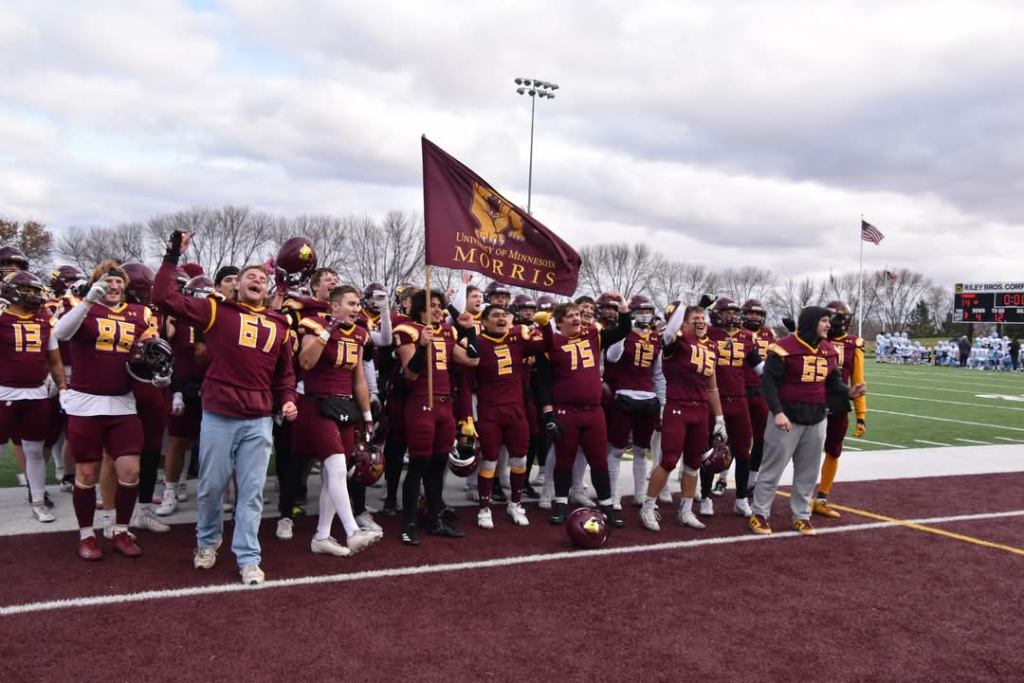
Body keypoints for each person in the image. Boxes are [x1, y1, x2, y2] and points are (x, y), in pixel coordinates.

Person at [154, 231, 297, 586]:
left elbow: (285, 373)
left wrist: (289, 398)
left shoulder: (279, 324)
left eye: (262, 277)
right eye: (250, 276)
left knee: (251, 492)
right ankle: (207, 541)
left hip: (258, 418)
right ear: (236, 285)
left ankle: (249, 557)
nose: (257, 280)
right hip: (219, 413)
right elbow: (164, 298)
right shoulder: (216, 310)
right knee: (211, 487)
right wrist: (172, 257)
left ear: (267, 288)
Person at [54, 261, 160, 560]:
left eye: (118, 282)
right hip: (86, 402)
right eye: (107, 282)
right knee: (87, 472)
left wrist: (157, 373)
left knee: (130, 470)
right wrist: (88, 301)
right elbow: (61, 333)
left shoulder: (139, 313)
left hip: (122, 401)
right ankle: (86, 534)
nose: (113, 287)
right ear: (95, 284)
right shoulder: (81, 308)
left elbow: (149, 353)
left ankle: (120, 529)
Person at [749, 306, 866, 536]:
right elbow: (769, 384)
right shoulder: (783, 348)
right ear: (811, 322)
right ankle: (759, 513)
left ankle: (801, 515)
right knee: (772, 468)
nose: (828, 325)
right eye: (824, 320)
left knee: (808, 472)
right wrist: (777, 412)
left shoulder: (828, 350)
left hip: (817, 417)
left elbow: (833, 382)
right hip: (787, 418)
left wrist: (849, 393)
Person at [294, 285, 382, 555]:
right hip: (317, 402)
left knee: (335, 473)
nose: (357, 309)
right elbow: (305, 362)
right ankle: (352, 531)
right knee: (336, 468)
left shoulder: (359, 334)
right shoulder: (315, 324)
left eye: (358, 304)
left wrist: (367, 416)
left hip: (345, 405)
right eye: (351, 303)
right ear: (334, 306)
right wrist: (328, 330)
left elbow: (359, 379)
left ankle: (322, 535)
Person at [535, 295, 632, 526]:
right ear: (559, 322)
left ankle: (607, 506)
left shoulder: (594, 335)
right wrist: (548, 413)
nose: (576, 318)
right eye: (570, 316)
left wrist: (623, 307)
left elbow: (623, 330)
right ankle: (560, 504)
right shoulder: (550, 344)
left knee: (599, 461)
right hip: (566, 411)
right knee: (564, 460)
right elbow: (543, 384)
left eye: (577, 314)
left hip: (593, 411)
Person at [393, 288, 479, 545]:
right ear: (420, 308)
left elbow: (472, 360)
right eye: (432, 305)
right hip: (422, 402)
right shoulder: (408, 330)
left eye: (440, 305)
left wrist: (469, 331)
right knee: (418, 464)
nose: (438, 309)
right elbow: (410, 374)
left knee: (439, 465)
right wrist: (421, 345)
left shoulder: (448, 331)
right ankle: (408, 523)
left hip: (445, 404)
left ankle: (434, 518)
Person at [639, 304, 726, 532]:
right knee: (669, 459)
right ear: (684, 323)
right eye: (695, 318)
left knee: (694, 462)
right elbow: (669, 332)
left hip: (701, 410)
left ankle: (686, 509)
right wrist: (687, 307)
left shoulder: (710, 347)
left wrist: (719, 417)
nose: (701, 321)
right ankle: (648, 506)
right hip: (678, 407)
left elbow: (712, 387)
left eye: (703, 317)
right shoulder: (676, 342)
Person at [469, 304, 545, 528]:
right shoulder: (477, 342)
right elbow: (465, 381)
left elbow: (546, 345)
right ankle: (484, 507)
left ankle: (515, 504)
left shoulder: (517, 339)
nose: (501, 318)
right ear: (484, 322)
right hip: (490, 410)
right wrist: (467, 415)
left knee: (520, 458)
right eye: (495, 315)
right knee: (489, 460)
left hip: (516, 409)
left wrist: (545, 327)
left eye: (504, 315)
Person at [0, 271, 65, 523]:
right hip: (4, 391)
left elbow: (55, 359)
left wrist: (62, 386)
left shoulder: (45, 319)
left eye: (36, 291)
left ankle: (38, 502)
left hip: (36, 393)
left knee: (35, 451)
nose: (34, 295)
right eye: (28, 290)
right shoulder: (2, 317)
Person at [704, 297, 763, 517]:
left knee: (743, 451)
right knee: (709, 451)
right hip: (714, 400)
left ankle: (740, 498)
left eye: (735, 312)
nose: (732, 316)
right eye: (727, 312)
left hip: (739, 400)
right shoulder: (708, 333)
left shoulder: (746, 337)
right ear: (717, 314)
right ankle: (705, 496)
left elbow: (760, 368)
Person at [603, 295, 662, 512]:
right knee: (617, 449)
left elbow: (658, 374)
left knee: (641, 450)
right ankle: (613, 495)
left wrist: (662, 402)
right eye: (641, 311)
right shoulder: (623, 334)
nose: (645, 315)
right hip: (624, 395)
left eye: (648, 311)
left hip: (648, 399)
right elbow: (612, 357)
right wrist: (623, 330)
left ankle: (640, 494)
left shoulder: (656, 338)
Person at [811, 301, 867, 518]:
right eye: (835, 318)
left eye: (843, 318)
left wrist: (861, 415)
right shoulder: (813, 339)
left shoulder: (854, 343)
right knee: (805, 451)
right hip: (812, 401)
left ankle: (822, 498)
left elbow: (858, 380)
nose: (838, 323)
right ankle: (803, 496)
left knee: (833, 450)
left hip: (839, 402)